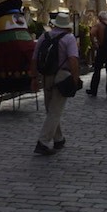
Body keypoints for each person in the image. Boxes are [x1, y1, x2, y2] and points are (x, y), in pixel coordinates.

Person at [30, 11, 79, 155]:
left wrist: (34, 78)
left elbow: (34, 58)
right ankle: (43, 142)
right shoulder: (69, 38)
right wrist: (75, 79)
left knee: (51, 109)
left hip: (46, 77)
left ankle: (59, 139)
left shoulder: (44, 36)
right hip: (62, 76)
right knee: (55, 111)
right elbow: (73, 60)